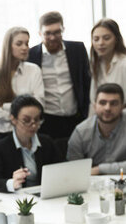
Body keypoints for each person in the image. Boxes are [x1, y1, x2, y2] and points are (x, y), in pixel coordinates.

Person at [67, 83, 126, 175]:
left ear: (122, 107)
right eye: (102, 103)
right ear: (94, 106)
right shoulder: (81, 131)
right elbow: (74, 171)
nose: (107, 108)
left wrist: (100, 169)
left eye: (113, 103)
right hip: (95, 185)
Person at [28, 11, 91, 141]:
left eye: (57, 32)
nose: (53, 37)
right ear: (40, 34)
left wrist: (87, 115)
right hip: (47, 120)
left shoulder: (77, 49)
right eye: (48, 33)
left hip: (76, 117)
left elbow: (87, 83)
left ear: (63, 30)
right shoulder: (31, 55)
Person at [0, 26, 45, 147]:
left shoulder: (34, 70)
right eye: (19, 44)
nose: (25, 48)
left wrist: (4, 106)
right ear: (8, 46)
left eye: (27, 43)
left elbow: (39, 104)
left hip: (27, 134)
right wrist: (23, 116)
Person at [0, 95, 62, 192]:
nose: (33, 125)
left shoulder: (47, 142)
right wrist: (11, 182)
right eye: (26, 120)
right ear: (13, 119)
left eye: (37, 119)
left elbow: (61, 168)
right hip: (16, 200)